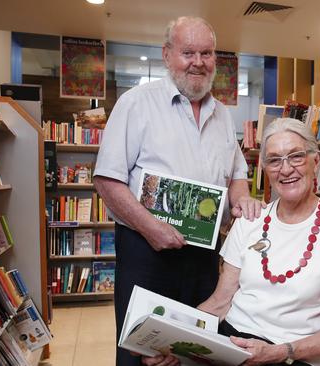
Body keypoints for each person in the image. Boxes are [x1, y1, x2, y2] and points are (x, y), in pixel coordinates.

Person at [93, 16, 264, 366]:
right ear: (167, 54)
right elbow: (107, 180)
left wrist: (242, 197)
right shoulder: (136, 103)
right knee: (142, 351)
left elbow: (236, 175)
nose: (198, 62)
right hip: (146, 252)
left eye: (207, 53)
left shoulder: (223, 116)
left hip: (203, 256)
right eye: (188, 52)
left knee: (196, 349)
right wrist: (151, 228)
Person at [142, 118, 320, 366]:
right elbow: (219, 303)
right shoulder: (250, 220)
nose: (285, 169)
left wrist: (280, 352)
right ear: (265, 168)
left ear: (316, 161)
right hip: (229, 345)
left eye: (296, 156)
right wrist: (168, 340)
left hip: (292, 355)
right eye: (274, 160)